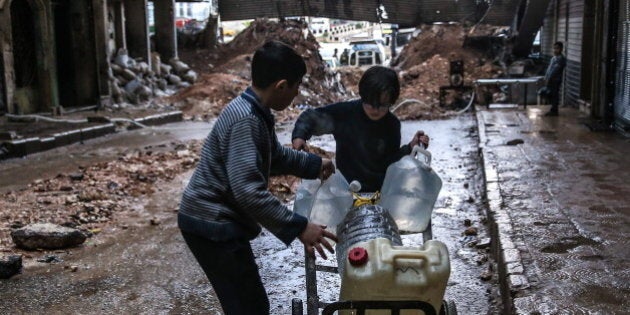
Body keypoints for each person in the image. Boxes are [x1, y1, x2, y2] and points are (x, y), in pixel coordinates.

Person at [178, 40, 338, 315]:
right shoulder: (247, 120)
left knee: (248, 302)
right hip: (211, 223)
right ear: (281, 86)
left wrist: (313, 164)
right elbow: (248, 192)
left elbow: (273, 156)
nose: (297, 94)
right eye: (296, 87)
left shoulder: (254, 110)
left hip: (216, 221)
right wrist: (300, 226)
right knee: (247, 306)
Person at [291, 66, 430, 192]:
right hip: (346, 189)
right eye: (370, 104)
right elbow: (310, 118)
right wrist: (299, 136)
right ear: (363, 96)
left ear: (391, 102)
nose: (375, 110)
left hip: (379, 192)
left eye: (382, 105)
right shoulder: (345, 114)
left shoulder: (392, 125)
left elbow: (391, 163)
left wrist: (411, 147)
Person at [540, 41, 566, 116]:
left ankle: (554, 110)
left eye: (557, 48)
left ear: (561, 49)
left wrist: (549, 78)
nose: (555, 50)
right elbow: (549, 69)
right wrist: (546, 77)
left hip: (555, 80)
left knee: (554, 95)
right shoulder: (554, 58)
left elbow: (554, 71)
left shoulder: (560, 59)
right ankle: (553, 109)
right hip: (551, 79)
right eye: (554, 48)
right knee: (552, 94)